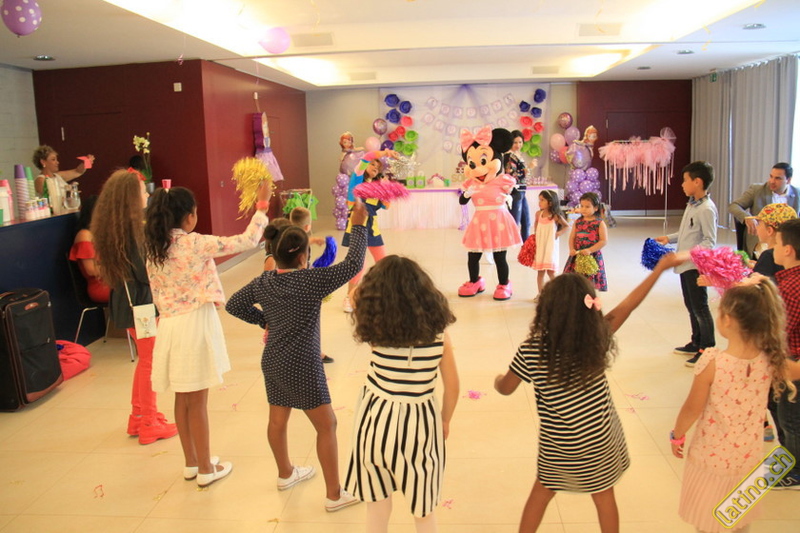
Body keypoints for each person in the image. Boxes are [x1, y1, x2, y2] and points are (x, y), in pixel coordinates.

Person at [494, 253, 687, 533]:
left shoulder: (533, 351)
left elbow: (506, 388)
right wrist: (658, 270)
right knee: (604, 496)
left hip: (559, 445)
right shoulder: (597, 336)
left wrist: (498, 381)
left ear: (546, 310)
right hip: (600, 439)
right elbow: (629, 305)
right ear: (589, 307)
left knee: (541, 493)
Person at [225, 201, 370, 512]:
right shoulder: (311, 281)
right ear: (304, 256)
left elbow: (233, 305)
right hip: (303, 363)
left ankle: (285, 473)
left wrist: (264, 321)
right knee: (327, 425)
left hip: (273, 360)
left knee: (277, 420)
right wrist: (359, 225)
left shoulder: (263, 282)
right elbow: (353, 264)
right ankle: (334, 494)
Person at [143, 184, 270, 487]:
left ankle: (192, 462)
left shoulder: (155, 247)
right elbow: (248, 240)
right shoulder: (195, 243)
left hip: (169, 326)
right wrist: (262, 207)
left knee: (182, 397)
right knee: (198, 400)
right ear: (188, 216)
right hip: (194, 324)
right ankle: (205, 469)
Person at [670, 277, 799, 531]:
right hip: (748, 460)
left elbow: (692, 408)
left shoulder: (712, 362)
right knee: (738, 520)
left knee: (708, 520)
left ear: (727, 320)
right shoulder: (771, 360)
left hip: (710, 459)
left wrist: (678, 435)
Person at [344, 256, 459, 532]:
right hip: (420, 423)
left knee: (377, 504)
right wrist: (444, 419)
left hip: (375, 419)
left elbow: (354, 295)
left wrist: (376, 286)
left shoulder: (376, 330)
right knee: (423, 508)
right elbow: (453, 386)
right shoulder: (439, 337)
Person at [91, 169, 177, 445]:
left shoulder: (116, 229)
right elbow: (145, 271)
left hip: (128, 303)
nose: (147, 195)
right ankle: (149, 422)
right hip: (141, 306)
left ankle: (139, 416)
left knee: (145, 360)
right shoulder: (133, 233)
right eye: (142, 191)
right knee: (150, 362)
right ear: (130, 197)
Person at [656, 161, 718, 366]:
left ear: (697, 182)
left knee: (700, 307)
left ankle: (707, 348)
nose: (682, 185)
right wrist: (669, 238)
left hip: (695, 266)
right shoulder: (692, 204)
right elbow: (687, 233)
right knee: (691, 306)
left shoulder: (706, 209)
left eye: (685, 180)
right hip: (685, 265)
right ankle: (696, 342)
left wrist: (686, 255)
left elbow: (709, 241)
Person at [458, 126, 521, 300]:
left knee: (500, 257)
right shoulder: (472, 183)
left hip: (498, 221)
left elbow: (516, 194)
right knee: (473, 256)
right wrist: (466, 195)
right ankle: (475, 281)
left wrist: (510, 197)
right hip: (479, 222)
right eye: (472, 164)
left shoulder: (502, 180)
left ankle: (504, 284)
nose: (477, 168)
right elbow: (462, 201)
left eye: (483, 161)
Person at [342, 149, 398, 313]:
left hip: (372, 228)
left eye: (377, 167)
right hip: (357, 226)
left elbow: (386, 206)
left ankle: (387, 295)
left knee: (384, 262)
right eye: (372, 164)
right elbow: (367, 157)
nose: (374, 167)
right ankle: (349, 297)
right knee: (358, 263)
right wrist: (385, 152)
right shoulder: (357, 177)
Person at [771, 217, 800, 489]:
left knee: (790, 419)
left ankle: (795, 470)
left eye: (777, 243)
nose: (774, 247)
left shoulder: (791, 286)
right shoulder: (789, 280)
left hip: (793, 363)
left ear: (788, 249)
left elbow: (782, 328)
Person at [288, 206, 333, 364]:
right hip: (301, 288)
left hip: (288, 286)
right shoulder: (301, 246)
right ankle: (313, 352)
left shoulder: (287, 238)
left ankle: (301, 351)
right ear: (308, 226)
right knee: (308, 322)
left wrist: (312, 240)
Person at [729, 162, 799, 256]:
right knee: (769, 256)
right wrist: (747, 217)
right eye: (771, 176)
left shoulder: (797, 194)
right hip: (760, 238)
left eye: (777, 178)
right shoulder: (757, 190)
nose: (772, 181)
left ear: (788, 180)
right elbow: (734, 205)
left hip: (787, 239)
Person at [69, 195, 111, 303]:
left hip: (114, 283)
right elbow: (91, 270)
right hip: (101, 286)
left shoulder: (103, 233)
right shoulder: (85, 235)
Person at [563, 192, 608, 291]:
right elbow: (572, 237)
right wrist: (571, 249)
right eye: (582, 206)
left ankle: (589, 297)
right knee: (575, 281)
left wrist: (590, 250)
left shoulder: (599, 223)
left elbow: (603, 241)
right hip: (577, 255)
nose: (583, 209)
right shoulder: (578, 222)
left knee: (590, 282)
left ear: (595, 208)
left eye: (587, 207)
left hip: (592, 256)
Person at [32, 145, 94, 215]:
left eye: (56, 159)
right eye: (53, 159)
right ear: (43, 162)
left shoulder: (58, 176)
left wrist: (86, 162)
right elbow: (50, 199)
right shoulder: (40, 180)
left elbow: (78, 171)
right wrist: (69, 193)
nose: (57, 162)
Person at [530, 190, 569, 293]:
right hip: (540, 246)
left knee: (551, 272)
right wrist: (535, 235)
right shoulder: (538, 214)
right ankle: (541, 294)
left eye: (542, 200)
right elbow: (536, 225)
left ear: (550, 202)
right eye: (539, 200)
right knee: (540, 273)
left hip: (550, 247)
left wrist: (558, 233)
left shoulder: (555, 216)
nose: (539, 202)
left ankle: (559, 293)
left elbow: (567, 226)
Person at [506, 130, 531, 241]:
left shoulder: (518, 155)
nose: (518, 145)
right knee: (514, 222)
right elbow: (512, 175)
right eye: (515, 142)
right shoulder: (509, 156)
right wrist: (528, 168)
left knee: (526, 222)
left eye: (520, 142)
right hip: (515, 192)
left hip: (522, 191)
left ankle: (526, 246)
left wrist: (527, 170)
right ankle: (507, 246)